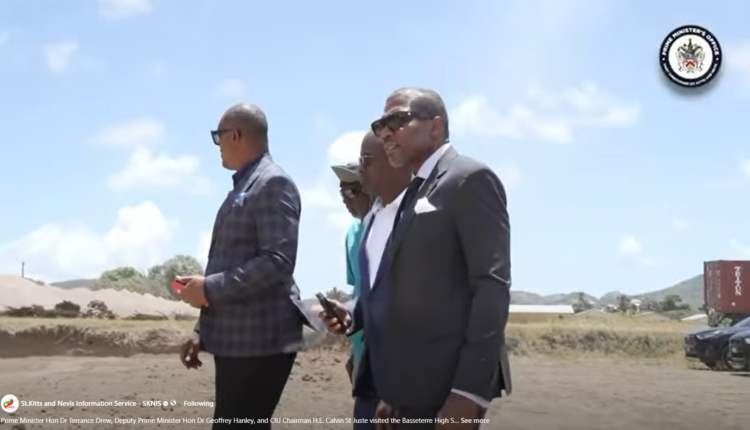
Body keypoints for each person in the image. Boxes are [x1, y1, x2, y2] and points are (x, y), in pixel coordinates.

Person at [322, 88, 512, 430]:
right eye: (380, 125)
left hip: (447, 388)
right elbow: (404, 295)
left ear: (435, 127)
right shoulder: (411, 196)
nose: (385, 133)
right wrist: (393, 392)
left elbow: (491, 289)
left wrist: (468, 394)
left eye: (396, 120)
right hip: (408, 390)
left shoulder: (469, 179)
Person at [177, 103, 309, 429]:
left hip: (261, 339)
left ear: (235, 135)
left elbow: (277, 262)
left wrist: (208, 288)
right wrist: (202, 331)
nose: (217, 145)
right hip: (242, 339)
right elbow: (230, 263)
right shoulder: (247, 185)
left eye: (218, 136)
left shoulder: (272, 183)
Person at [350, 131, 411, 429]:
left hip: (411, 380)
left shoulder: (423, 214)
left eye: (366, 159)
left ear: (394, 159)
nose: (360, 168)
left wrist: (401, 387)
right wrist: (350, 314)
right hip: (372, 377)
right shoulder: (372, 219)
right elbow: (374, 296)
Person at [330, 161, 371, 383]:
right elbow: (357, 290)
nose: (345, 199)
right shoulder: (352, 234)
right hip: (360, 343)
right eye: (341, 193)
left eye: (351, 191)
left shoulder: (395, 227)